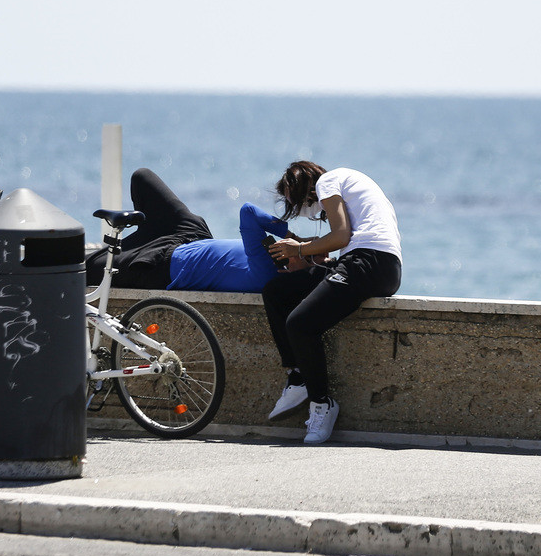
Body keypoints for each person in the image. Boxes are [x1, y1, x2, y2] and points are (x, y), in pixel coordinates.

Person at [261, 161, 402, 444]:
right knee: (277, 290)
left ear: (301, 185)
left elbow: (341, 235)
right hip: (368, 262)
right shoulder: (345, 182)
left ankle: (322, 404)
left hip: (370, 263)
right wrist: (307, 249)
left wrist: (299, 248)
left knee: (300, 325)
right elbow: (344, 237)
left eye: (292, 198)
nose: (296, 206)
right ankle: (298, 375)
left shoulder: (328, 181)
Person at [85, 168, 294, 293]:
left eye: (308, 253)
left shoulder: (267, 270)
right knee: (142, 177)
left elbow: (248, 211)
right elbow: (249, 212)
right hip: (193, 234)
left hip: (163, 265)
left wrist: (289, 236)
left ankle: (137, 245)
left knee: (89, 268)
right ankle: (141, 239)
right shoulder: (270, 255)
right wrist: (295, 243)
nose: (302, 247)